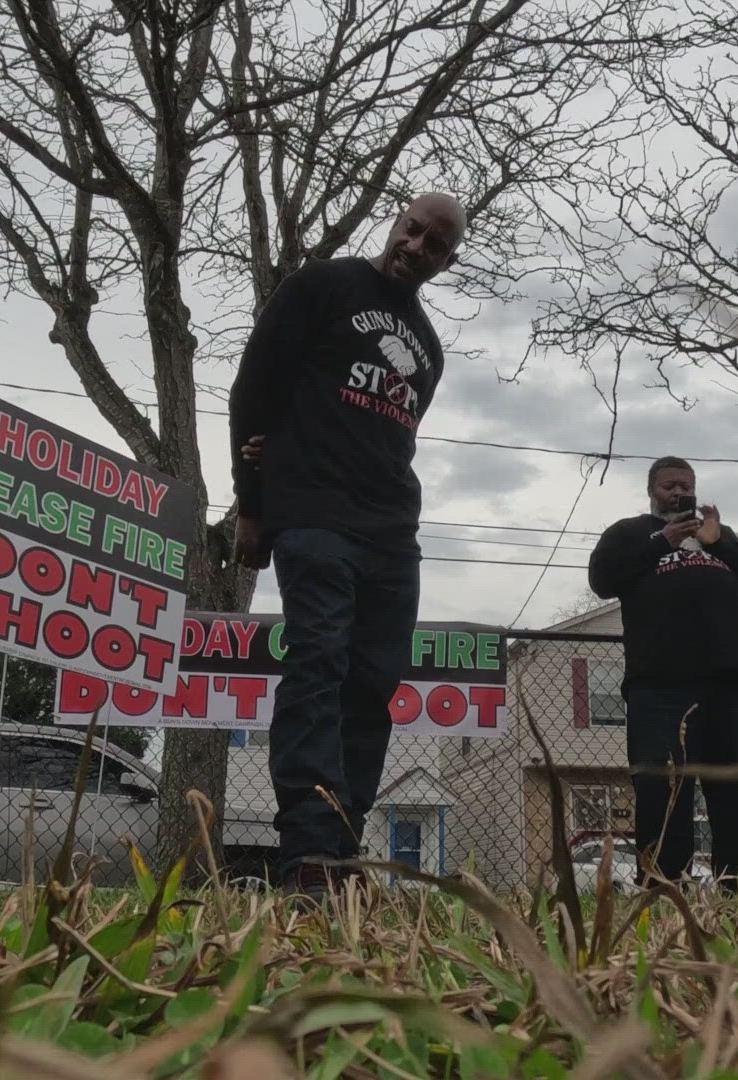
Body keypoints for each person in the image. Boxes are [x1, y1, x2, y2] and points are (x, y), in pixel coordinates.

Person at [227, 193, 468, 899]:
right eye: (413, 229)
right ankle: (305, 851)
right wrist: (252, 505)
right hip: (314, 516)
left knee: (373, 686)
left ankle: (341, 844)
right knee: (319, 664)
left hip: (392, 532)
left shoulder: (429, 345)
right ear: (396, 221)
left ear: (448, 261)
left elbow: (397, 433)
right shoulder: (323, 284)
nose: (417, 246)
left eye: (435, 244)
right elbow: (254, 388)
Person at [588, 456, 738, 887]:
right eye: (669, 485)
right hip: (660, 685)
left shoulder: (719, 537)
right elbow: (602, 579)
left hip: (731, 683)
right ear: (651, 489)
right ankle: (663, 890)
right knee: (663, 794)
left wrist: (718, 542)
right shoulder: (630, 533)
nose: (678, 492)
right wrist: (661, 541)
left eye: (685, 485)